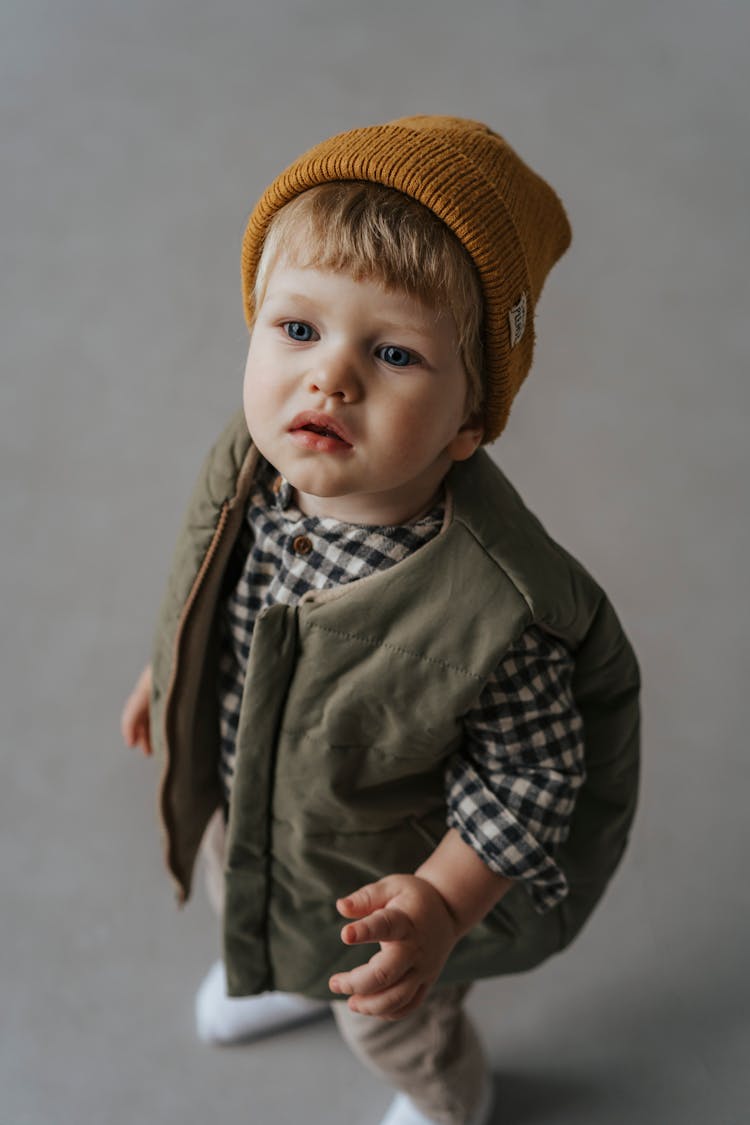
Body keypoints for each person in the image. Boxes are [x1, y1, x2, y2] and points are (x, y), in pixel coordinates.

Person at [121, 115, 640, 1125]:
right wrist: (169, 667)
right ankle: (272, 971)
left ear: (469, 423)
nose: (331, 377)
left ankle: (451, 1097)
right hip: (255, 800)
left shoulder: (496, 610)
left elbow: (534, 774)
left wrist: (442, 906)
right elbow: (212, 586)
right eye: (299, 329)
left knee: (390, 1019)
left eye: (394, 351)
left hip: (382, 880)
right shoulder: (257, 472)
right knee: (245, 893)